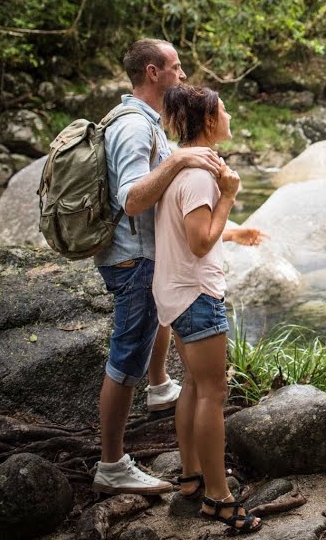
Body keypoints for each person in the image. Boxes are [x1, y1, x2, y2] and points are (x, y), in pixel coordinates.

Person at [91, 39, 224, 495]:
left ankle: (160, 385)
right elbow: (131, 199)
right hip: (132, 259)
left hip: (143, 258)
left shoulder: (147, 122)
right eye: (176, 67)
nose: (182, 75)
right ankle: (112, 463)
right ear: (153, 73)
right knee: (125, 356)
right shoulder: (132, 126)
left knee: (150, 336)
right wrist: (181, 158)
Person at [155, 83, 266, 534]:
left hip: (176, 292)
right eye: (224, 110)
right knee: (214, 394)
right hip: (197, 294)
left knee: (194, 388)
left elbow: (193, 233)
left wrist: (233, 232)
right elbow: (199, 242)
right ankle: (218, 499)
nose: (230, 116)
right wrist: (229, 197)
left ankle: (191, 476)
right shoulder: (202, 175)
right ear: (207, 121)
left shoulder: (180, 167)